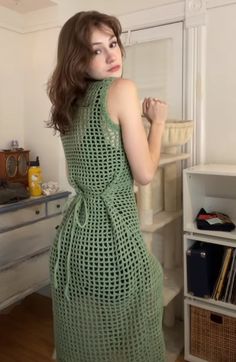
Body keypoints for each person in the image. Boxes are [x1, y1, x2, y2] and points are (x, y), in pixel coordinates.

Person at [47, 10, 168, 362]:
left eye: (112, 43)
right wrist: (156, 124)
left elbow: (75, 173)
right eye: (96, 50)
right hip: (111, 243)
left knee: (92, 338)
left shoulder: (66, 104)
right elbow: (144, 173)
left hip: (73, 244)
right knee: (140, 317)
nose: (111, 55)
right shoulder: (121, 89)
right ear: (78, 60)